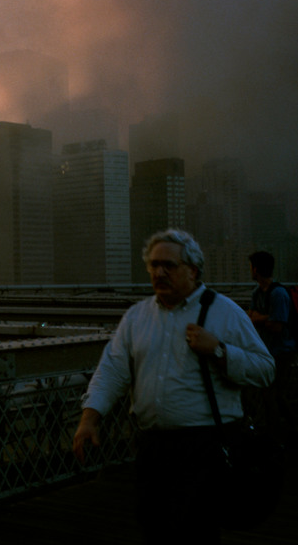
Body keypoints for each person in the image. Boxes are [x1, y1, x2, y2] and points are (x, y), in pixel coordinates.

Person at [72, 229, 274, 544]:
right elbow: (112, 369)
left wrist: (219, 350)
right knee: (153, 524)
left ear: (192, 270)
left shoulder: (224, 312)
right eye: (153, 265)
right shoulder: (138, 317)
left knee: (194, 529)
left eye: (168, 265)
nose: (159, 272)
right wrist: (89, 419)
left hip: (204, 446)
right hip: (152, 446)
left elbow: (265, 370)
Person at [245, 250, 298, 440]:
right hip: (266, 351)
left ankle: (276, 435)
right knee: (273, 394)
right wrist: (264, 318)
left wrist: (259, 318)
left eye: (251, 267)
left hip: (282, 351)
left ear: (256, 269)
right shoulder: (257, 292)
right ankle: (291, 429)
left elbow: (276, 326)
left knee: (271, 393)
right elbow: (250, 318)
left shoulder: (278, 294)